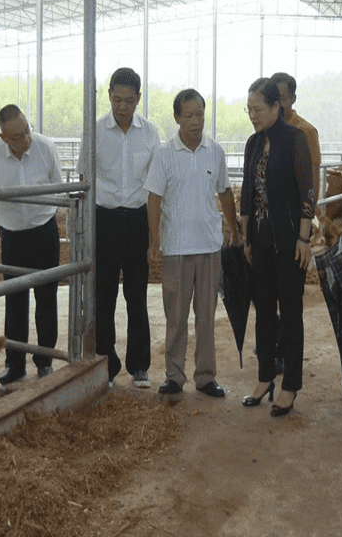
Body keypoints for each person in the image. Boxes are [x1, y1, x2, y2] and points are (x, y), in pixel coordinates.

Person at [145, 89, 242, 397]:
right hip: (175, 248)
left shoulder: (215, 151)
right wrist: (154, 242)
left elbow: (225, 192)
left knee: (206, 316)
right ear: (177, 118)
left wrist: (234, 231)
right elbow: (153, 199)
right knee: (176, 316)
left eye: (200, 115)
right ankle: (174, 375)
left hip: (209, 246)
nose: (196, 121)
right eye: (189, 116)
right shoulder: (164, 155)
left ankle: (205, 375)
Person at [240, 78, 314, 417]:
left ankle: (290, 386)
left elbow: (306, 194)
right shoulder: (253, 144)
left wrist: (303, 239)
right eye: (249, 110)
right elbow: (246, 193)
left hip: (289, 243)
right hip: (260, 240)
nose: (253, 116)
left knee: (292, 314)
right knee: (264, 313)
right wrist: (246, 238)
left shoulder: (295, 139)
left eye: (258, 109)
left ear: (275, 107)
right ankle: (265, 377)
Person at [0, 104, 64, 386]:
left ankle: (44, 361)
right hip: (13, 235)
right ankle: (15, 365)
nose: (25, 139)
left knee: (46, 298)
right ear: (4, 137)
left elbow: (58, 187)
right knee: (15, 301)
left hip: (44, 231)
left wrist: (39, 209)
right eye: (17, 136)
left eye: (27, 131)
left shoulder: (45, 148)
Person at [93, 67, 161, 388]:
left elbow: (154, 188)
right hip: (103, 220)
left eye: (129, 100)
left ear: (138, 99)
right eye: (117, 99)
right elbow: (84, 181)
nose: (122, 106)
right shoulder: (93, 132)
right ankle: (106, 364)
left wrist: (153, 237)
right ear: (108, 95)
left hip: (136, 221)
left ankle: (138, 365)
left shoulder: (150, 134)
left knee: (136, 294)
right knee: (103, 295)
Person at [268, 72, 321, 375]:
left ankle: (287, 354)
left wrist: (305, 226)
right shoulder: (266, 132)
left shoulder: (305, 132)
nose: (279, 105)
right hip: (269, 228)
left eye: (283, 99)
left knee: (290, 294)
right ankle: (272, 346)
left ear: (292, 99)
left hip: (294, 227)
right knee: (268, 291)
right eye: (273, 99)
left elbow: (311, 182)